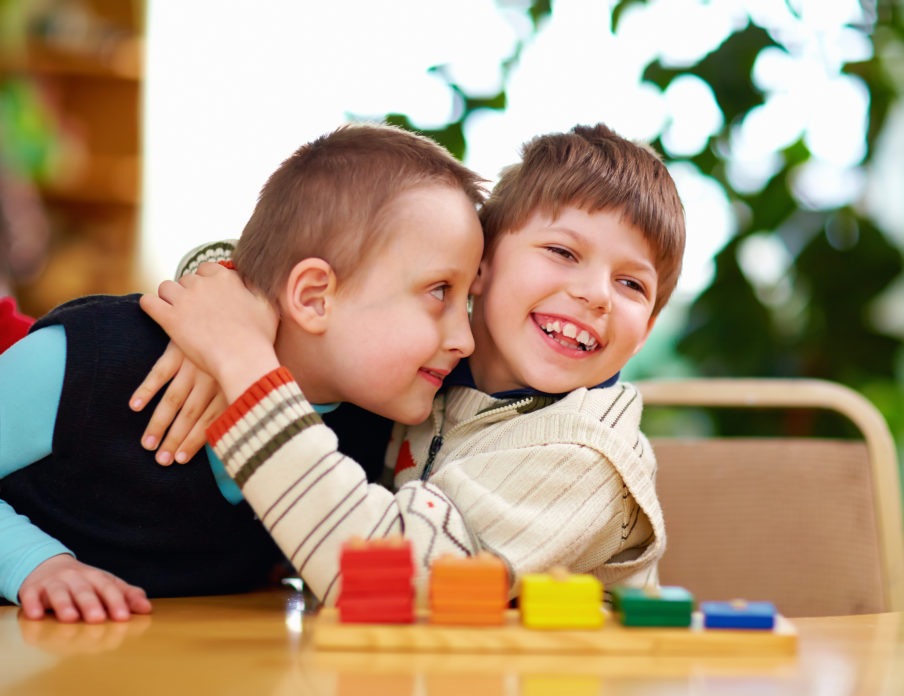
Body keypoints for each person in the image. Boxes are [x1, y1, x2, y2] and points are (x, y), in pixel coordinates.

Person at [139, 124, 686, 604]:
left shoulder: (588, 460)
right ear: (480, 263)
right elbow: (316, 266)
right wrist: (222, 298)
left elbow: (380, 579)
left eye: (632, 284)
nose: (596, 296)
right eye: (563, 252)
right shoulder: (428, 368)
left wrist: (239, 355)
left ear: (646, 333)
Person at [0, 122, 486, 622]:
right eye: (438, 292)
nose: (464, 338)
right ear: (314, 297)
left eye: (467, 300)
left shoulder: (370, 432)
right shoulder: (89, 357)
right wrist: (35, 564)